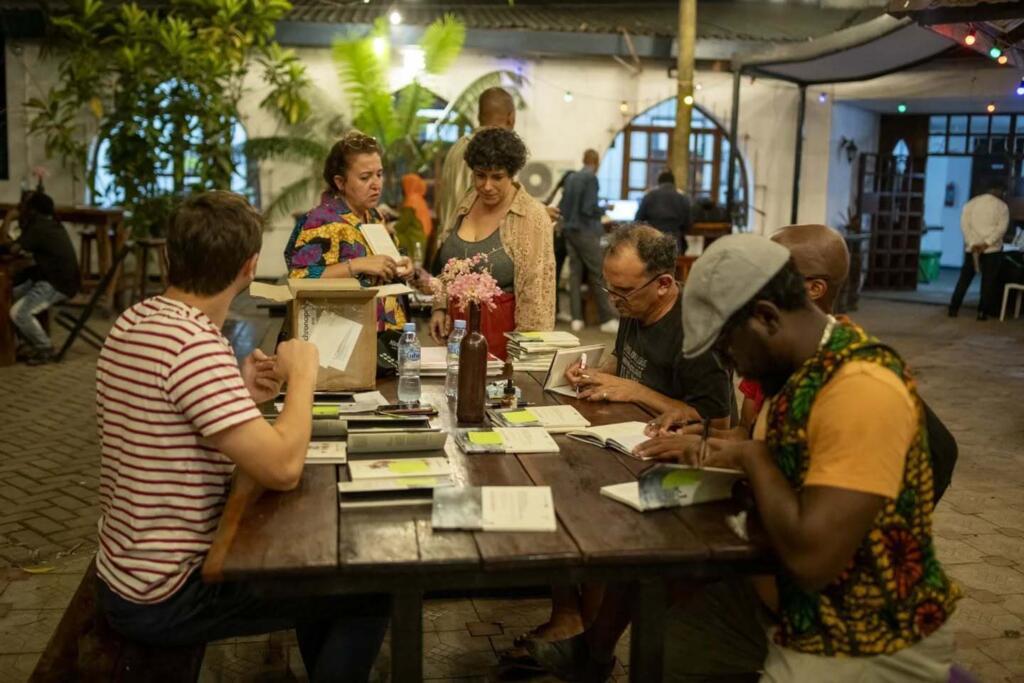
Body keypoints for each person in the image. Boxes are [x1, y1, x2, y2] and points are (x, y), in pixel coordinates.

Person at [532, 234, 961, 681]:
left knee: (670, 636)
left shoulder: (860, 388)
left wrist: (752, 457)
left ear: (766, 317)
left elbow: (813, 562)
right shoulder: (801, 368)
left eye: (729, 350)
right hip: (778, 593)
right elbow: (786, 456)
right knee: (660, 618)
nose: (734, 369)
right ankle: (592, 654)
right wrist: (715, 448)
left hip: (859, 634)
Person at [95, 191, 389, 682]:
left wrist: (245, 392)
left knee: (320, 573)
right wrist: (304, 378)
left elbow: (177, 423)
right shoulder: (193, 348)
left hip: (124, 568)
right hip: (166, 592)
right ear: (249, 267)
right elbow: (282, 468)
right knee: (368, 588)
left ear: (170, 256)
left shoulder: (137, 322)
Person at [564, 223, 732, 419]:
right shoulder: (633, 304)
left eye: (624, 290)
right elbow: (622, 357)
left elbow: (717, 424)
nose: (613, 299)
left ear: (663, 284)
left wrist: (637, 392)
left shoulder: (698, 333)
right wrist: (594, 376)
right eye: (610, 287)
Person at [429, 127, 555, 359]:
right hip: (456, 339)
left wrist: (521, 359)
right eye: (480, 175)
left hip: (502, 345)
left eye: (497, 177)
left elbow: (537, 299)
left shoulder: (531, 216)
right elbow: (446, 264)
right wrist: (439, 306)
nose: (487, 186)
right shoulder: (467, 202)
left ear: (512, 174)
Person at [284, 130, 414, 333]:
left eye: (379, 174)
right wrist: (356, 266)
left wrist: (403, 265)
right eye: (365, 177)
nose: (376, 185)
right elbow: (299, 278)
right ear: (340, 182)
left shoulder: (374, 216)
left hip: (387, 333)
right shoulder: (321, 221)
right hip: (343, 339)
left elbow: (390, 258)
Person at [0, 190, 80, 365]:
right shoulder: (49, 224)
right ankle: (26, 343)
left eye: (25, 206)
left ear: (33, 210)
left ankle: (44, 347)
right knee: (8, 296)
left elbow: (8, 248)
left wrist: (8, 218)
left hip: (56, 283)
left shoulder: (39, 227)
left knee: (18, 313)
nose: (22, 209)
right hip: (51, 278)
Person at [436, 87, 516, 239]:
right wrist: (537, 216)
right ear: (511, 118)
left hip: (447, 247)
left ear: (479, 116)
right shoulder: (498, 151)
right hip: (472, 250)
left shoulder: (457, 147)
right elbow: (504, 211)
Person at [559, 149, 618, 334]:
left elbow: (563, 206)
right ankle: (607, 319)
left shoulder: (571, 177)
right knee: (598, 272)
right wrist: (604, 209)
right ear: (596, 162)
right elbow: (588, 208)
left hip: (569, 230)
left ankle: (577, 318)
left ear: (584, 160)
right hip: (586, 231)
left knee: (575, 275)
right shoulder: (591, 178)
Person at [949, 185, 1009, 320]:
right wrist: (987, 243)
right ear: (997, 190)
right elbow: (1001, 229)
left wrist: (972, 243)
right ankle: (982, 313)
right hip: (992, 250)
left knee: (964, 280)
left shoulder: (971, 204)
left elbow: (964, 225)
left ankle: (953, 309)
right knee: (988, 282)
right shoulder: (1002, 206)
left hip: (972, 249)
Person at [634, 170, 691, 250]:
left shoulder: (649, 196)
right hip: (674, 241)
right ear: (673, 183)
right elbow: (687, 223)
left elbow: (638, 219)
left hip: (652, 240)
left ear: (659, 182)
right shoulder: (682, 197)